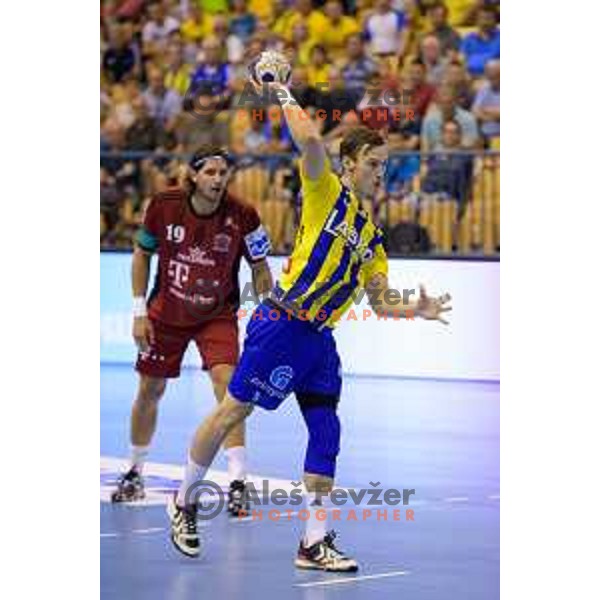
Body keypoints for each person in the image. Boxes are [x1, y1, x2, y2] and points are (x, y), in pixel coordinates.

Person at [168, 53, 452, 569]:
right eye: (373, 164)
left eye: (385, 166)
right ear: (350, 165)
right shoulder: (326, 190)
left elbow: (382, 302)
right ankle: (183, 499)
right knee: (234, 410)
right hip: (282, 323)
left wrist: (418, 309)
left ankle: (312, 542)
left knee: (327, 431)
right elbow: (310, 141)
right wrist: (279, 88)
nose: (380, 174)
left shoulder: (373, 238)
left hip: (320, 340)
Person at [111, 145, 274, 519]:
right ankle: (135, 471)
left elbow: (261, 267)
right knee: (150, 389)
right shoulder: (164, 205)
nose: (219, 179)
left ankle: (237, 482)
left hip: (216, 314)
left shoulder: (244, 215)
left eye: (224, 173)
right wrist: (139, 312)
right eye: (211, 173)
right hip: (166, 312)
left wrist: (267, 315)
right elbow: (141, 254)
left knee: (229, 385)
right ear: (194, 176)